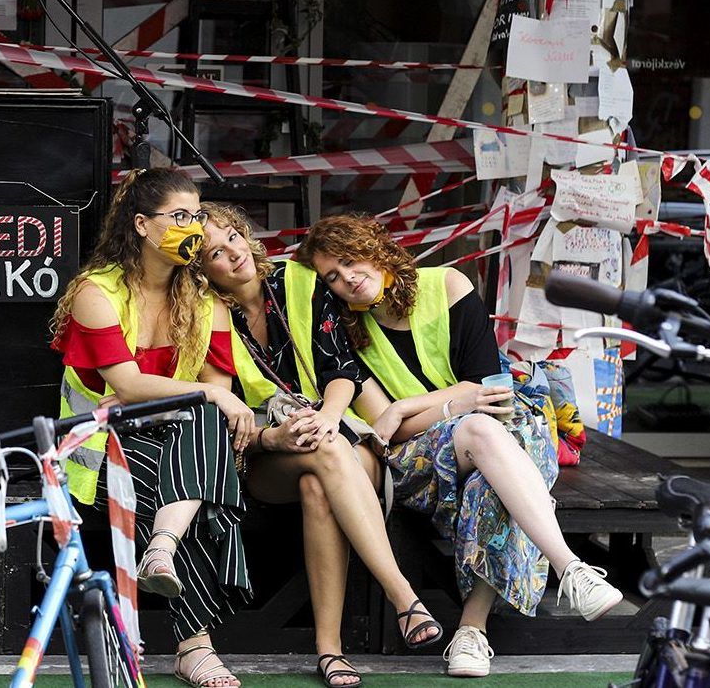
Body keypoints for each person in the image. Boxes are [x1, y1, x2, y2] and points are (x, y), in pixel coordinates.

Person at [295, 215, 624, 679]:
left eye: (350, 261)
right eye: (332, 275)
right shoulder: (346, 334)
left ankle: (471, 632)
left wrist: (411, 404)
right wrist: (457, 404)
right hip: (419, 462)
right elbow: (391, 430)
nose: (347, 278)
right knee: (483, 432)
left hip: (496, 440)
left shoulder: (447, 285)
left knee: (490, 466)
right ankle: (569, 566)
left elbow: (487, 390)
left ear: (373, 248)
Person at [197, 204, 440, 688]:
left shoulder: (301, 280)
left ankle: (330, 652)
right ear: (200, 269)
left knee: (319, 480)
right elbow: (222, 412)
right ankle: (403, 598)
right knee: (317, 466)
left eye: (233, 237)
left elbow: (343, 373)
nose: (233, 253)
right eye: (215, 252)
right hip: (264, 451)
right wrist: (274, 437)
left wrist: (328, 419)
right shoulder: (203, 315)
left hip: (340, 435)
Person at [50, 168, 257, 688]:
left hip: (173, 436)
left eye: (197, 216)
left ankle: (161, 547)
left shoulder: (205, 300)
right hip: (97, 442)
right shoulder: (95, 292)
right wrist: (200, 393)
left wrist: (200, 395)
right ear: (142, 225)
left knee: (199, 435)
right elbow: (127, 383)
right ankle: (196, 647)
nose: (193, 227)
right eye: (180, 217)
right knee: (194, 480)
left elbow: (215, 388)